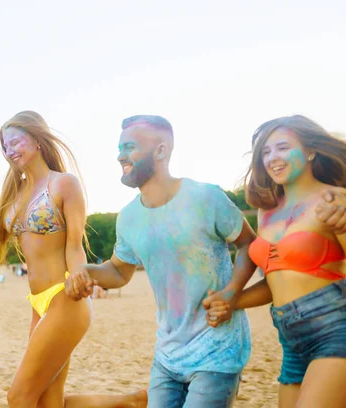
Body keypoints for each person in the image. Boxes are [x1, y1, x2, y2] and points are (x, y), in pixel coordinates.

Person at [0, 110, 147, 408]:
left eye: (15, 141)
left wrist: (79, 276)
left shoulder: (64, 184)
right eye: (5, 146)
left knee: (19, 397)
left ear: (38, 140)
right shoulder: (14, 193)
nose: (10, 150)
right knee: (48, 402)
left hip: (65, 297)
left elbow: (74, 245)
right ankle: (135, 401)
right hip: (38, 303)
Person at [65, 115, 257, 408]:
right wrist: (86, 270)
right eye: (119, 148)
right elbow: (118, 271)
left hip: (218, 349)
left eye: (129, 147)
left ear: (161, 150)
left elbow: (249, 245)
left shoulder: (205, 197)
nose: (120, 156)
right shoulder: (129, 218)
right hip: (167, 355)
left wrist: (232, 293)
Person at [205, 115, 346, 408]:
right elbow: (278, 282)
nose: (273, 158)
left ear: (310, 151)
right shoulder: (265, 212)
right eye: (266, 152)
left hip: (335, 328)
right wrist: (233, 301)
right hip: (290, 338)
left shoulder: (336, 201)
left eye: (282, 147)